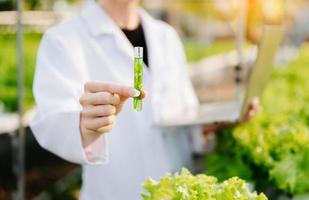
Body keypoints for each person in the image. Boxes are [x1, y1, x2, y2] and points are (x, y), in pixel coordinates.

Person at [30, 0, 260, 199]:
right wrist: (84, 126)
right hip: (118, 193)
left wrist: (222, 122)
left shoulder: (166, 36)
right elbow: (53, 120)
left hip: (178, 188)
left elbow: (185, 117)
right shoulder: (64, 40)